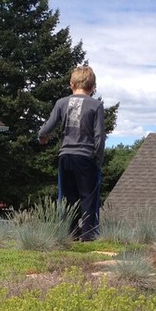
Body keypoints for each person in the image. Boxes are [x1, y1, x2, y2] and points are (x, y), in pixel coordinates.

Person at [38, 65, 106, 241]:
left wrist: (42, 137)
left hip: (65, 156)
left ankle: (70, 235)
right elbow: (99, 136)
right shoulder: (96, 105)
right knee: (88, 198)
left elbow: (48, 126)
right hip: (86, 156)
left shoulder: (61, 103)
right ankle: (89, 235)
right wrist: (97, 160)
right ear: (93, 87)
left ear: (71, 84)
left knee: (67, 198)